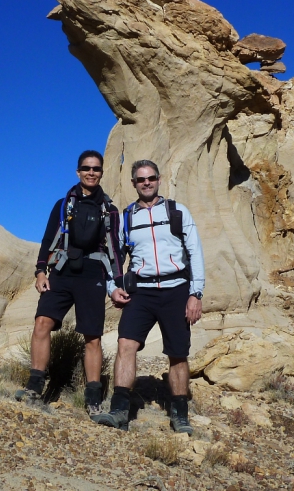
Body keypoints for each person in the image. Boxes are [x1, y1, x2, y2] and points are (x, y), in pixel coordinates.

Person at [92, 159, 204, 434]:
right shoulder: (128, 217)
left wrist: (196, 293)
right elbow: (115, 257)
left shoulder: (177, 212)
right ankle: (119, 410)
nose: (146, 183)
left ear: (159, 179)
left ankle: (180, 415)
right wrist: (112, 287)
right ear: (133, 183)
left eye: (151, 178)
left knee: (178, 353)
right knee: (125, 344)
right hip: (140, 291)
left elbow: (195, 252)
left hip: (176, 289)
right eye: (141, 179)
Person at [16, 150, 123, 416]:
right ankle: (34, 387)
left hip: (92, 274)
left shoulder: (109, 210)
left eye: (96, 169)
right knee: (42, 322)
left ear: (101, 172)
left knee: (92, 337)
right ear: (78, 172)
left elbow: (115, 250)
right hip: (62, 271)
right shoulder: (64, 204)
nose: (91, 172)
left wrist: (118, 282)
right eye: (86, 168)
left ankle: (93, 399)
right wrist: (41, 272)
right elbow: (47, 239)